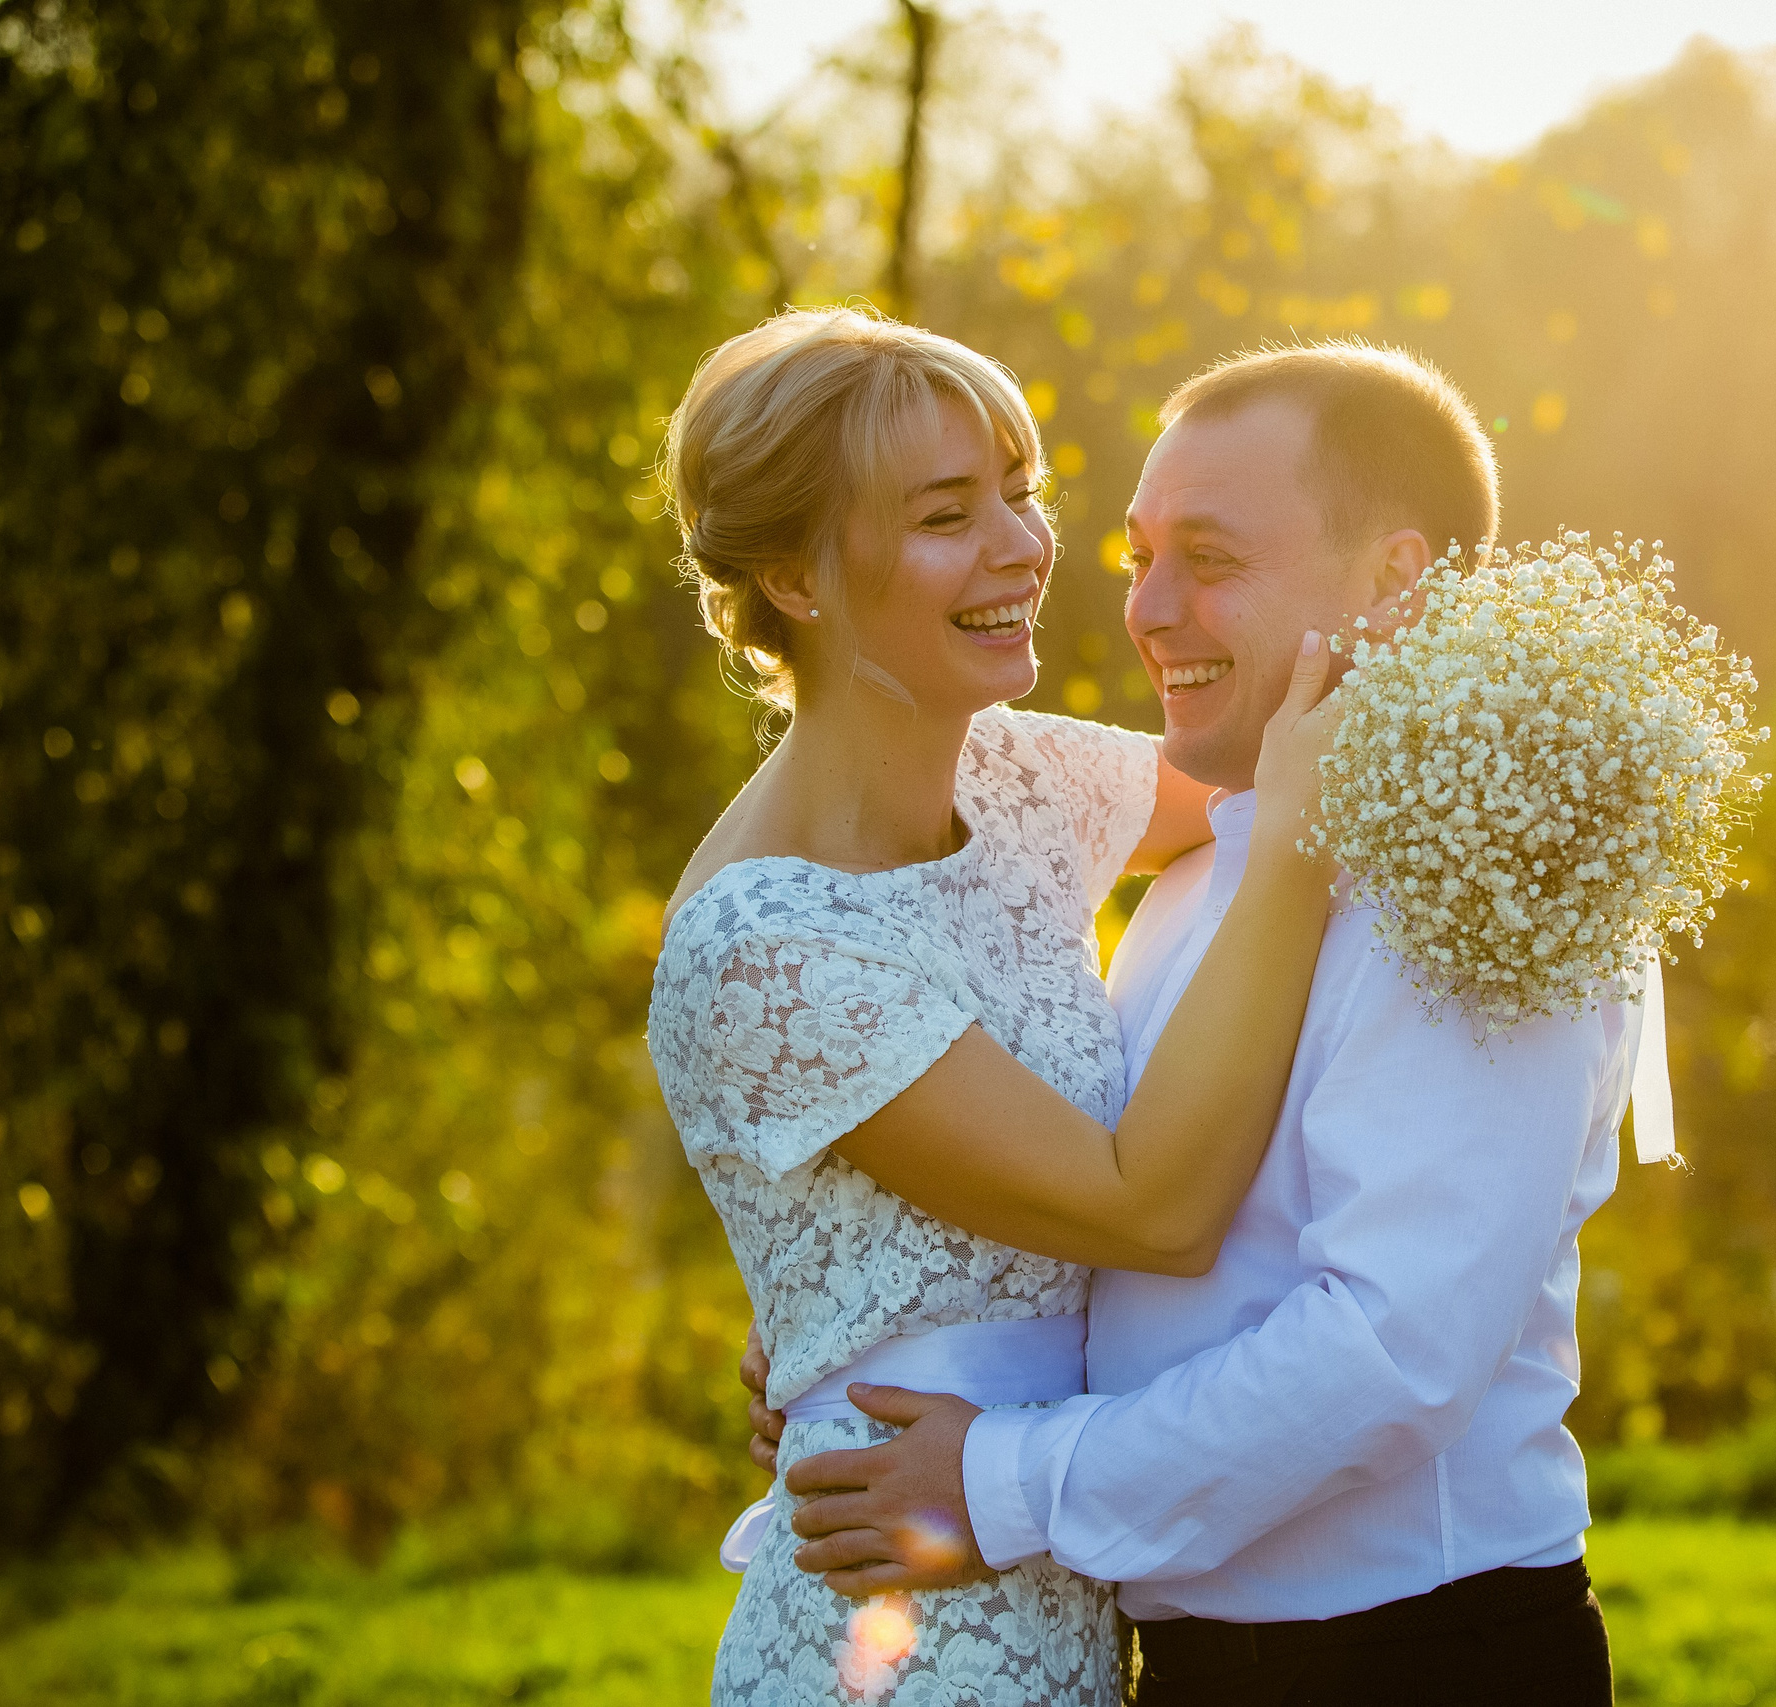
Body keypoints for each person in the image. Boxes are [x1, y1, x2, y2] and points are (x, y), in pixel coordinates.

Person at [763, 343, 1646, 1706]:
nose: (1149, 612)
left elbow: (1394, 1347)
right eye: (1136, 560)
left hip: (1411, 1657)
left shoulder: (1481, 883)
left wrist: (1001, 1482)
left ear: (1395, 581)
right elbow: (1140, 1229)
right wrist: (877, 1342)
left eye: (1212, 562)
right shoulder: (1201, 868)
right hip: (1186, 1662)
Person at [644, 307, 1345, 1706]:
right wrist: (1299, 854)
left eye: (1021, 495)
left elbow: (1283, 763)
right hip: (896, 1639)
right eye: (947, 515)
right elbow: (1152, 1205)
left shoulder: (1019, 774)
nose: (1021, 547)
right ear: (793, 572)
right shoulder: (764, 942)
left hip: (1058, 1570)